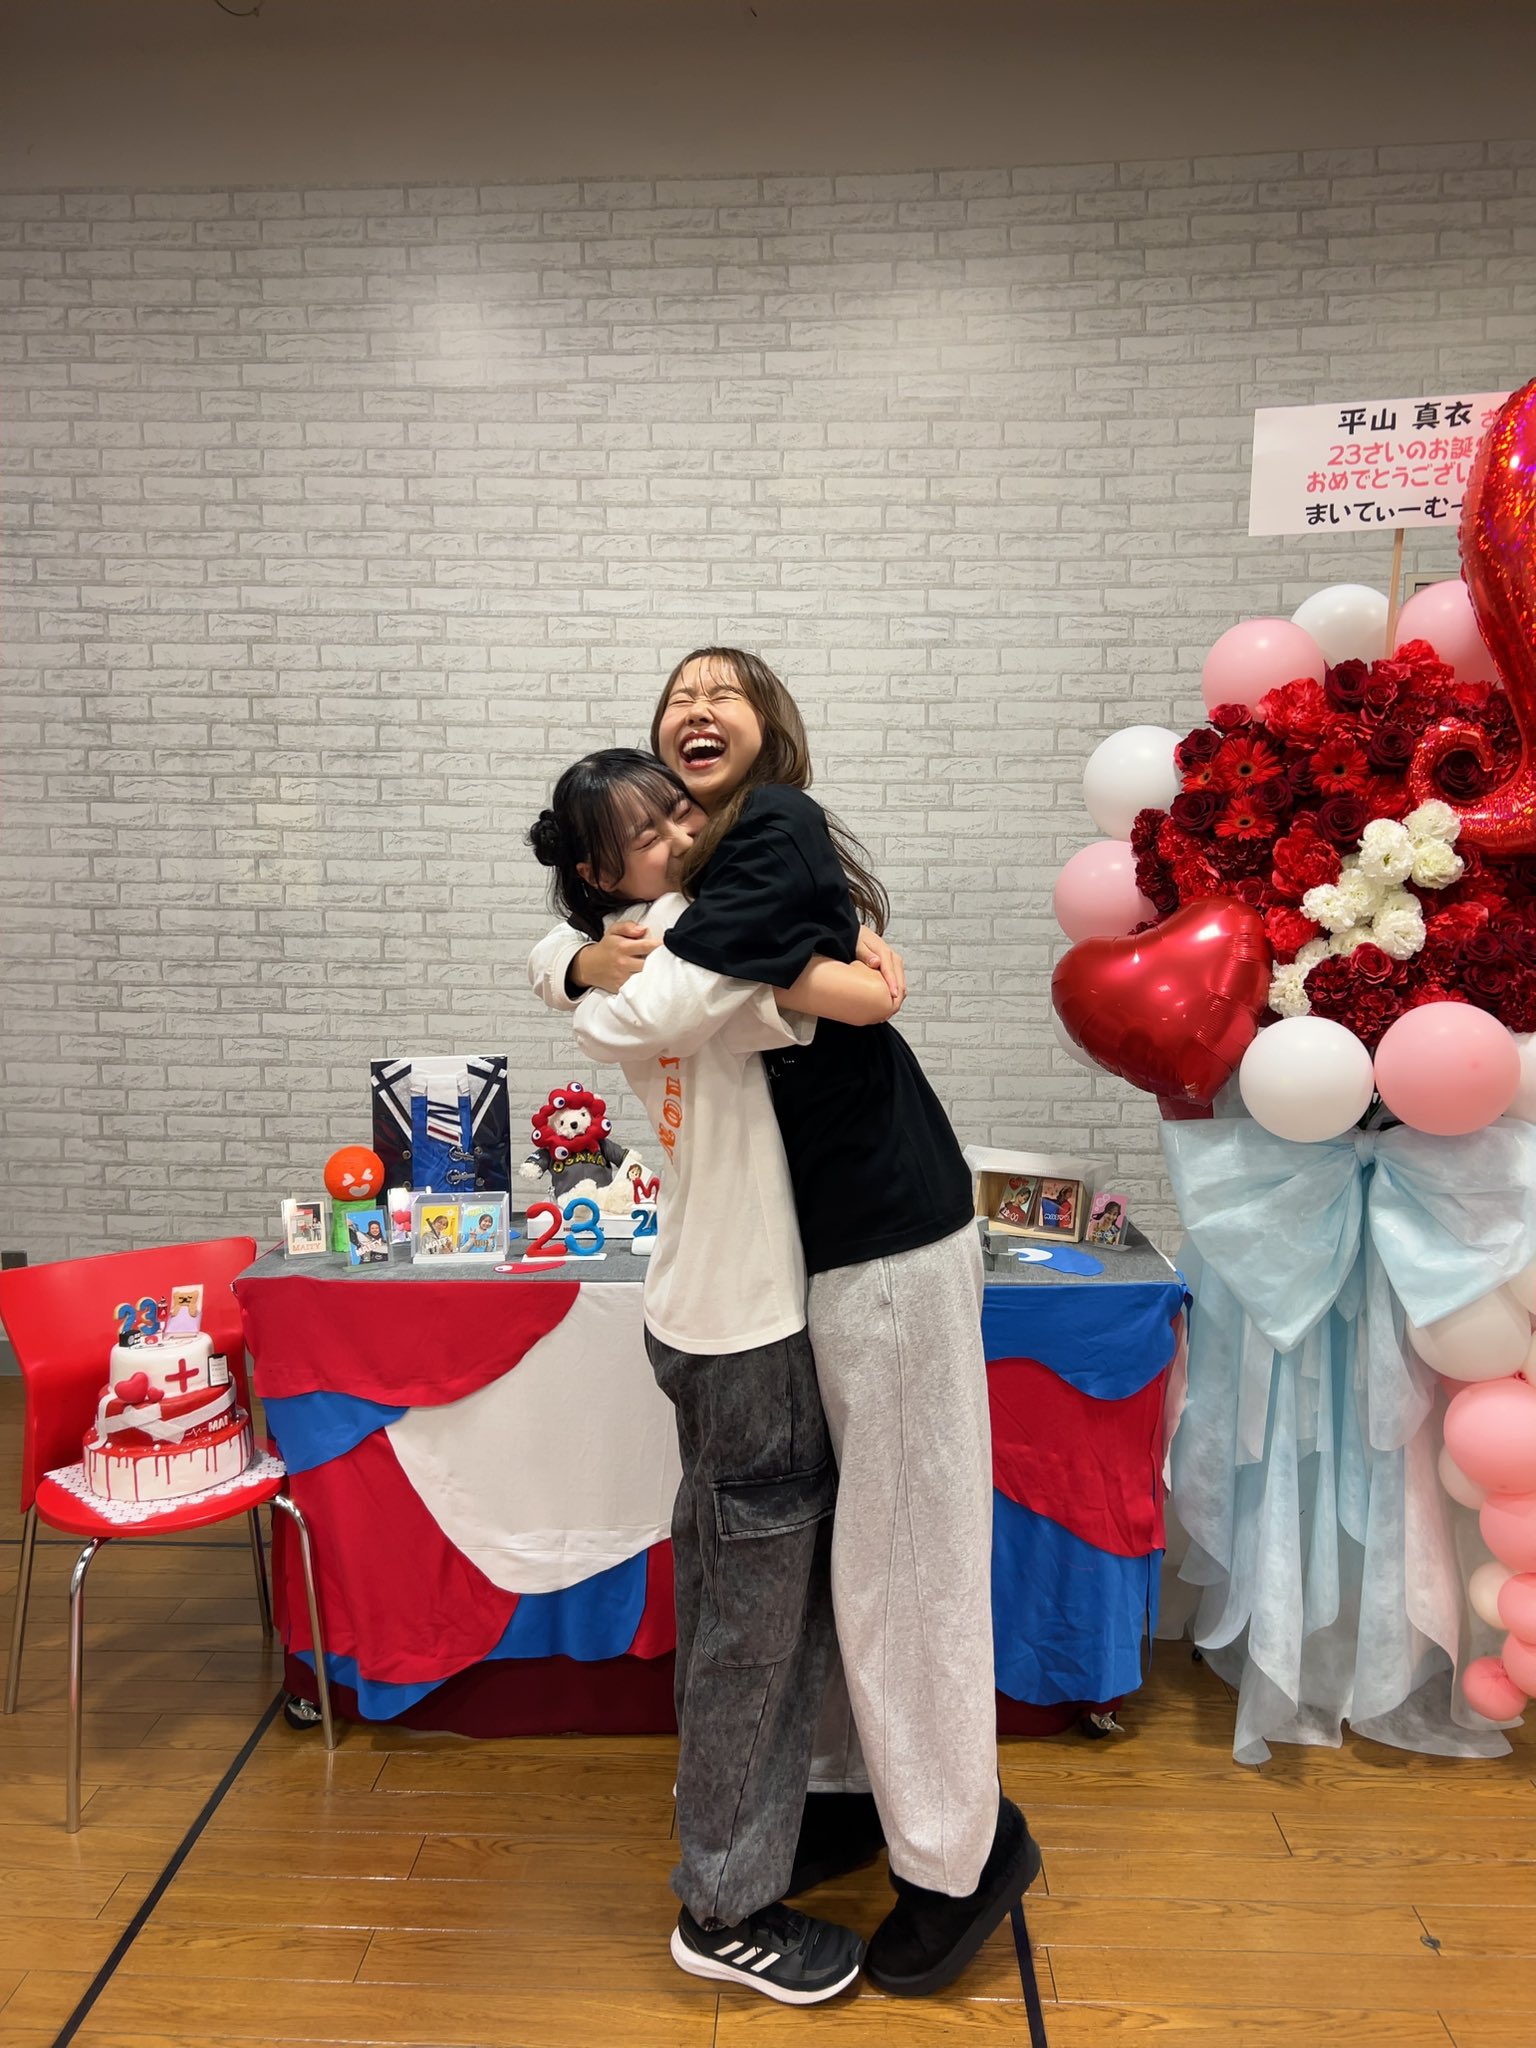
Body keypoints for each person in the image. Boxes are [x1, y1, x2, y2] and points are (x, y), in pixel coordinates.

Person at [559, 650, 1041, 2000]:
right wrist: (575, 952)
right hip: (819, 1258)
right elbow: (632, 965)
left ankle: (957, 1856)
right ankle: (846, 1795)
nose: (695, 708)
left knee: (905, 1559)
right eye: (678, 694)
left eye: (726, 691)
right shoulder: (706, 884)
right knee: (841, 1553)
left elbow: (664, 999)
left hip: (887, 1237)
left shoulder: (773, 826)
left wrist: (601, 969)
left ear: (771, 732)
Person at [527, 748, 899, 2007]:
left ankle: (755, 1840)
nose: (681, 834)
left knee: (755, 1605)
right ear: (599, 870)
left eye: (681, 810)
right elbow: (859, 995)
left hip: (724, 1311)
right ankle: (725, 1905)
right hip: (739, 1326)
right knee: (752, 1622)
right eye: (646, 830)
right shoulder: (681, 968)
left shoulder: (662, 961)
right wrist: (586, 957)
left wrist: (575, 955)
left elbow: (590, 976)